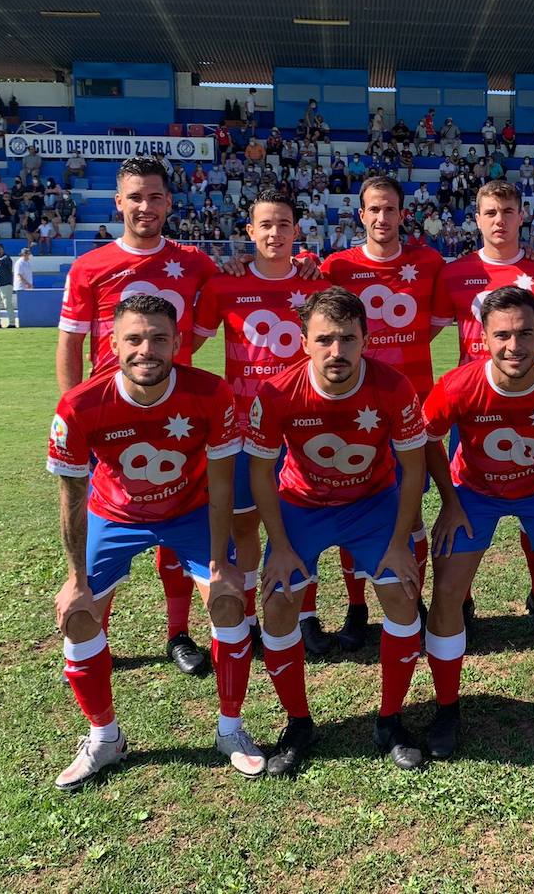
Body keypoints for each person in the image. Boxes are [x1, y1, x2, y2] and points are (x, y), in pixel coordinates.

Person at [47, 294, 263, 789]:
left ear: (178, 344)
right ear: (113, 343)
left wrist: (219, 561)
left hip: (190, 511)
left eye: (159, 339)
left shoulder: (210, 394)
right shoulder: (80, 405)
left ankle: (231, 730)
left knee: (230, 602)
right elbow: (72, 495)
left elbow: (223, 484)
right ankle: (105, 738)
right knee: (78, 615)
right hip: (113, 514)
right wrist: (75, 579)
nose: (147, 350)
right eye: (135, 338)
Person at [245, 289, 428, 774]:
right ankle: (298, 722)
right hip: (302, 506)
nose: (337, 351)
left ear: (366, 339)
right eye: (324, 339)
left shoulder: (393, 387)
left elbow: (413, 467)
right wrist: (280, 547)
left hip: (373, 505)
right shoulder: (276, 393)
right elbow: (260, 474)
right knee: (280, 605)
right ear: (303, 343)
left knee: (402, 596)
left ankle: (390, 721)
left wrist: (397, 543)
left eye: (348, 338)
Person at [56, 156, 224, 676]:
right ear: (119, 202)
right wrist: (76, 414)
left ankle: (179, 633)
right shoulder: (91, 266)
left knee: (177, 520)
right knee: (113, 516)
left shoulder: (196, 263)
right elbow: (70, 344)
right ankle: (92, 629)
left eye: (155, 196)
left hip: (178, 416)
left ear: (169, 203)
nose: (145, 206)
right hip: (110, 417)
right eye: (135, 197)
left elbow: (213, 317)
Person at [421, 286, 534, 757]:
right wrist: (449, 501)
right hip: (473, 494)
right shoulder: (458, 385)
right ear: (482, 337)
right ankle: (446, 709)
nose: (514, 346)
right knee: (445, 594)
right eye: (502, 334)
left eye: (525, 333)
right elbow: (428, 440)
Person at [429, 181, 534, 639]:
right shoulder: (454, 273)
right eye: (490, 211)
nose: (499, 220)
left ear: (523, 216)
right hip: (472, 407)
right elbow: (420, 337)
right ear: (477, 219)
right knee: (469, 505)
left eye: (508, 210)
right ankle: (461, 601)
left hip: (530, 403)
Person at [189, 194, 330, 655]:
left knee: (299, 524)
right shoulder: (222, 287)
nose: (274, 233)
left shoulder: (317, 287)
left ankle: (305, 615)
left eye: (284, 225)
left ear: (296, 232)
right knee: (245, 527)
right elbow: (186, 350)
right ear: (250, 232)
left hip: (304, 427)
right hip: (245, 430)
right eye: (265, 225)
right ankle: (248, 616)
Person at [320, 175, 446, 645]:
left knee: (410, 513)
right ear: (361, 214)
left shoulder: (428, 262)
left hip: (411, 408)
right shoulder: (336, 267)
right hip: (353, 412)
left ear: (401, 213)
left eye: (389, 209)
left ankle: (413, 596)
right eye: (373, 209)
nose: (381, 218)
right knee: (354, 507)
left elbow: (431, 327)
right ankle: (356, 607)